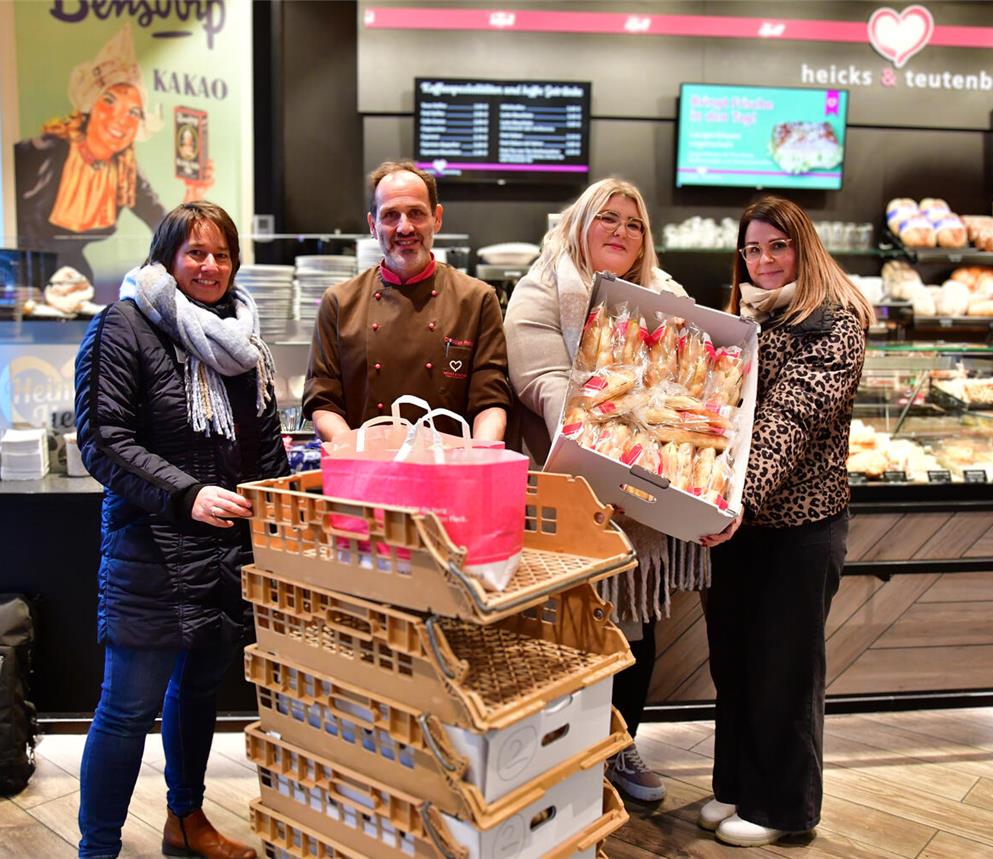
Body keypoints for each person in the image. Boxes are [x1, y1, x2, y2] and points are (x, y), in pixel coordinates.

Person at [74, 201, 289, 859]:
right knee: (127, 708)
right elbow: (102, 440)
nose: (210, 265)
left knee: (198, 693)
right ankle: (98, 846)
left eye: (222, 254)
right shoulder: (124, 324)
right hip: (153, 550)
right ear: (168, 256)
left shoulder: (239, 341)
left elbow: (263, 445)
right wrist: (187, 494)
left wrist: (282, 511)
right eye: (195, 252)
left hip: (225, 553)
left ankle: (185, 821)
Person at [503, 177, 709, 803]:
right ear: (579, 224)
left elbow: (697, 385)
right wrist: (620, 448)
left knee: (630, 628)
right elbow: (544, 385)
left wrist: (656, 445)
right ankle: (554, 761)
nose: (621, 232)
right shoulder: (539, 290)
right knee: (564, 631)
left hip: (643, 498)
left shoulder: (668, 297)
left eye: (634, 223)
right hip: (563, 491)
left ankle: (619, 748)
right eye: (608, 218)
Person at [697, 195, 873, 846]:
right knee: (736, 664)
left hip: (798, 528)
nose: (764, 260)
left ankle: (783, 809)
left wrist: (736, 497)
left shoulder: (834, 321)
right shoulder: (750, 319)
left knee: (784, 669)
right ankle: (740, 786)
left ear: (804, 247)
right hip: (739, 526)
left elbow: (788, 421)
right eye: (752, 249)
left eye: (777, 246)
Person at [303, 160, 511, 439]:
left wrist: (479, 462)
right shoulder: (339, 302)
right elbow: (323, 402)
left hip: (450, 470)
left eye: (416, 213)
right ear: (372, 225)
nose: (405, 228)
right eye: (390, 215)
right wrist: (354, 454)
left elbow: (490, 401)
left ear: (436, 218)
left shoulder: (477, 300)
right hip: (365, 469)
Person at [15, 25, 212, 287]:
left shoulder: (126, 170)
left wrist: (193, 194)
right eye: (109, 102)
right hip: (25, 278)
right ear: (90, 106)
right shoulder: (42, 153)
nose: (120, 120)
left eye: (133, 113)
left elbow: (165, 229)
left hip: (77, 283)